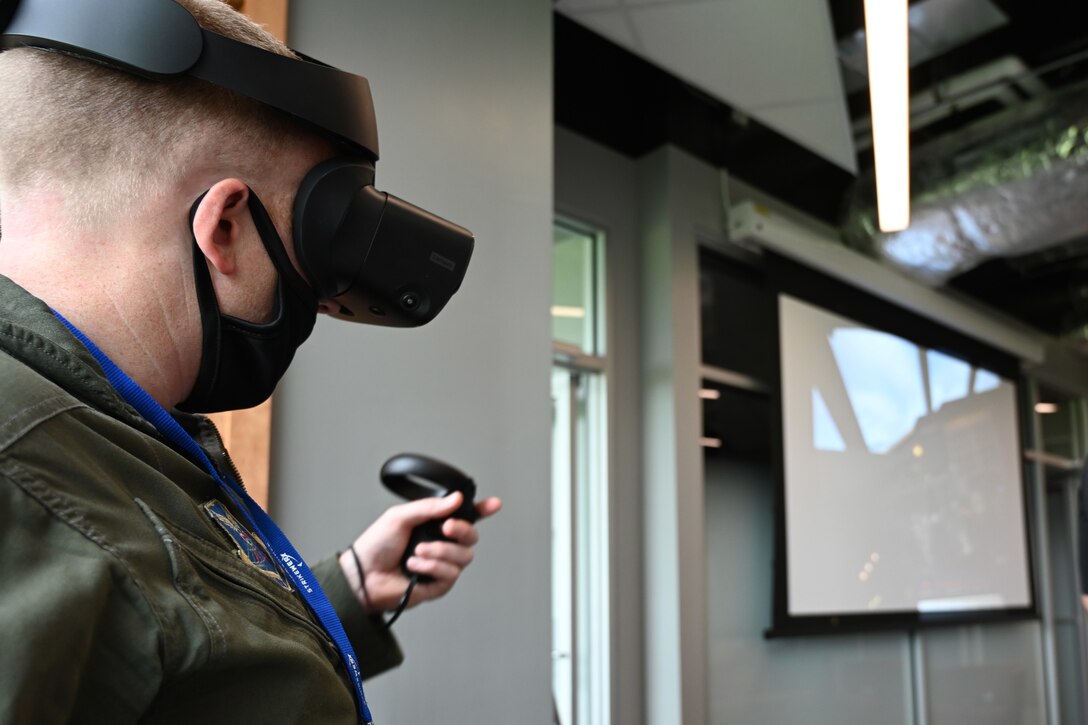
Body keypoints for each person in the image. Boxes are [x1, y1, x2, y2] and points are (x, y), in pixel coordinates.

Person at [0, 0, 500, 722]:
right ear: (225, 226)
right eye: (302, 257)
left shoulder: (105, 440)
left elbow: (163, 637)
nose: (314, 307)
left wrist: (351, 586)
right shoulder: (23, 468)